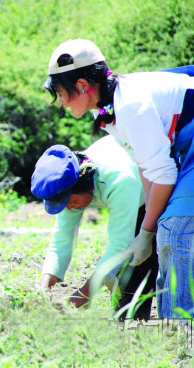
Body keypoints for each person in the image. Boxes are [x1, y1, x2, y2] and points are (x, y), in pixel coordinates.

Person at [44, 39, 194, 318]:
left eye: (61, 94)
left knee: (175, 228)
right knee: (164, 228)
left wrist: (146, 232)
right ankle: (171, 333)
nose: (61, 103)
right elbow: (146, 167)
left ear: (81, 85)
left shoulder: (130, 107)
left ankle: (181, 335)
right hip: (184, 149)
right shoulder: (109, 112)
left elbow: (163, 174)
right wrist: (150, 226)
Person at [32, 136, 157, 319]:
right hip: (129, 184)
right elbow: (62, 237)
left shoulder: (119, 180)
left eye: (70, 202)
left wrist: (85, 294)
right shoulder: (69, 185)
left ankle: (139, 325)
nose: (67, 208)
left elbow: (120, 244)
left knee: (140, 262)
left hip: (155, 185)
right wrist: (45, 285)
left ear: (84, 185)